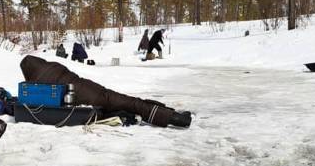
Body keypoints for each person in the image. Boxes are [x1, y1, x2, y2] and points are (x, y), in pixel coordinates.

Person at [20, 55, 192, 128]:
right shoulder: (53, 66)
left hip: (84, 98)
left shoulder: (35, 84)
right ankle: (171, 114)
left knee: (128, 104)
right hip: (92, 88)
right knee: (128, 102)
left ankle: (172, 117)